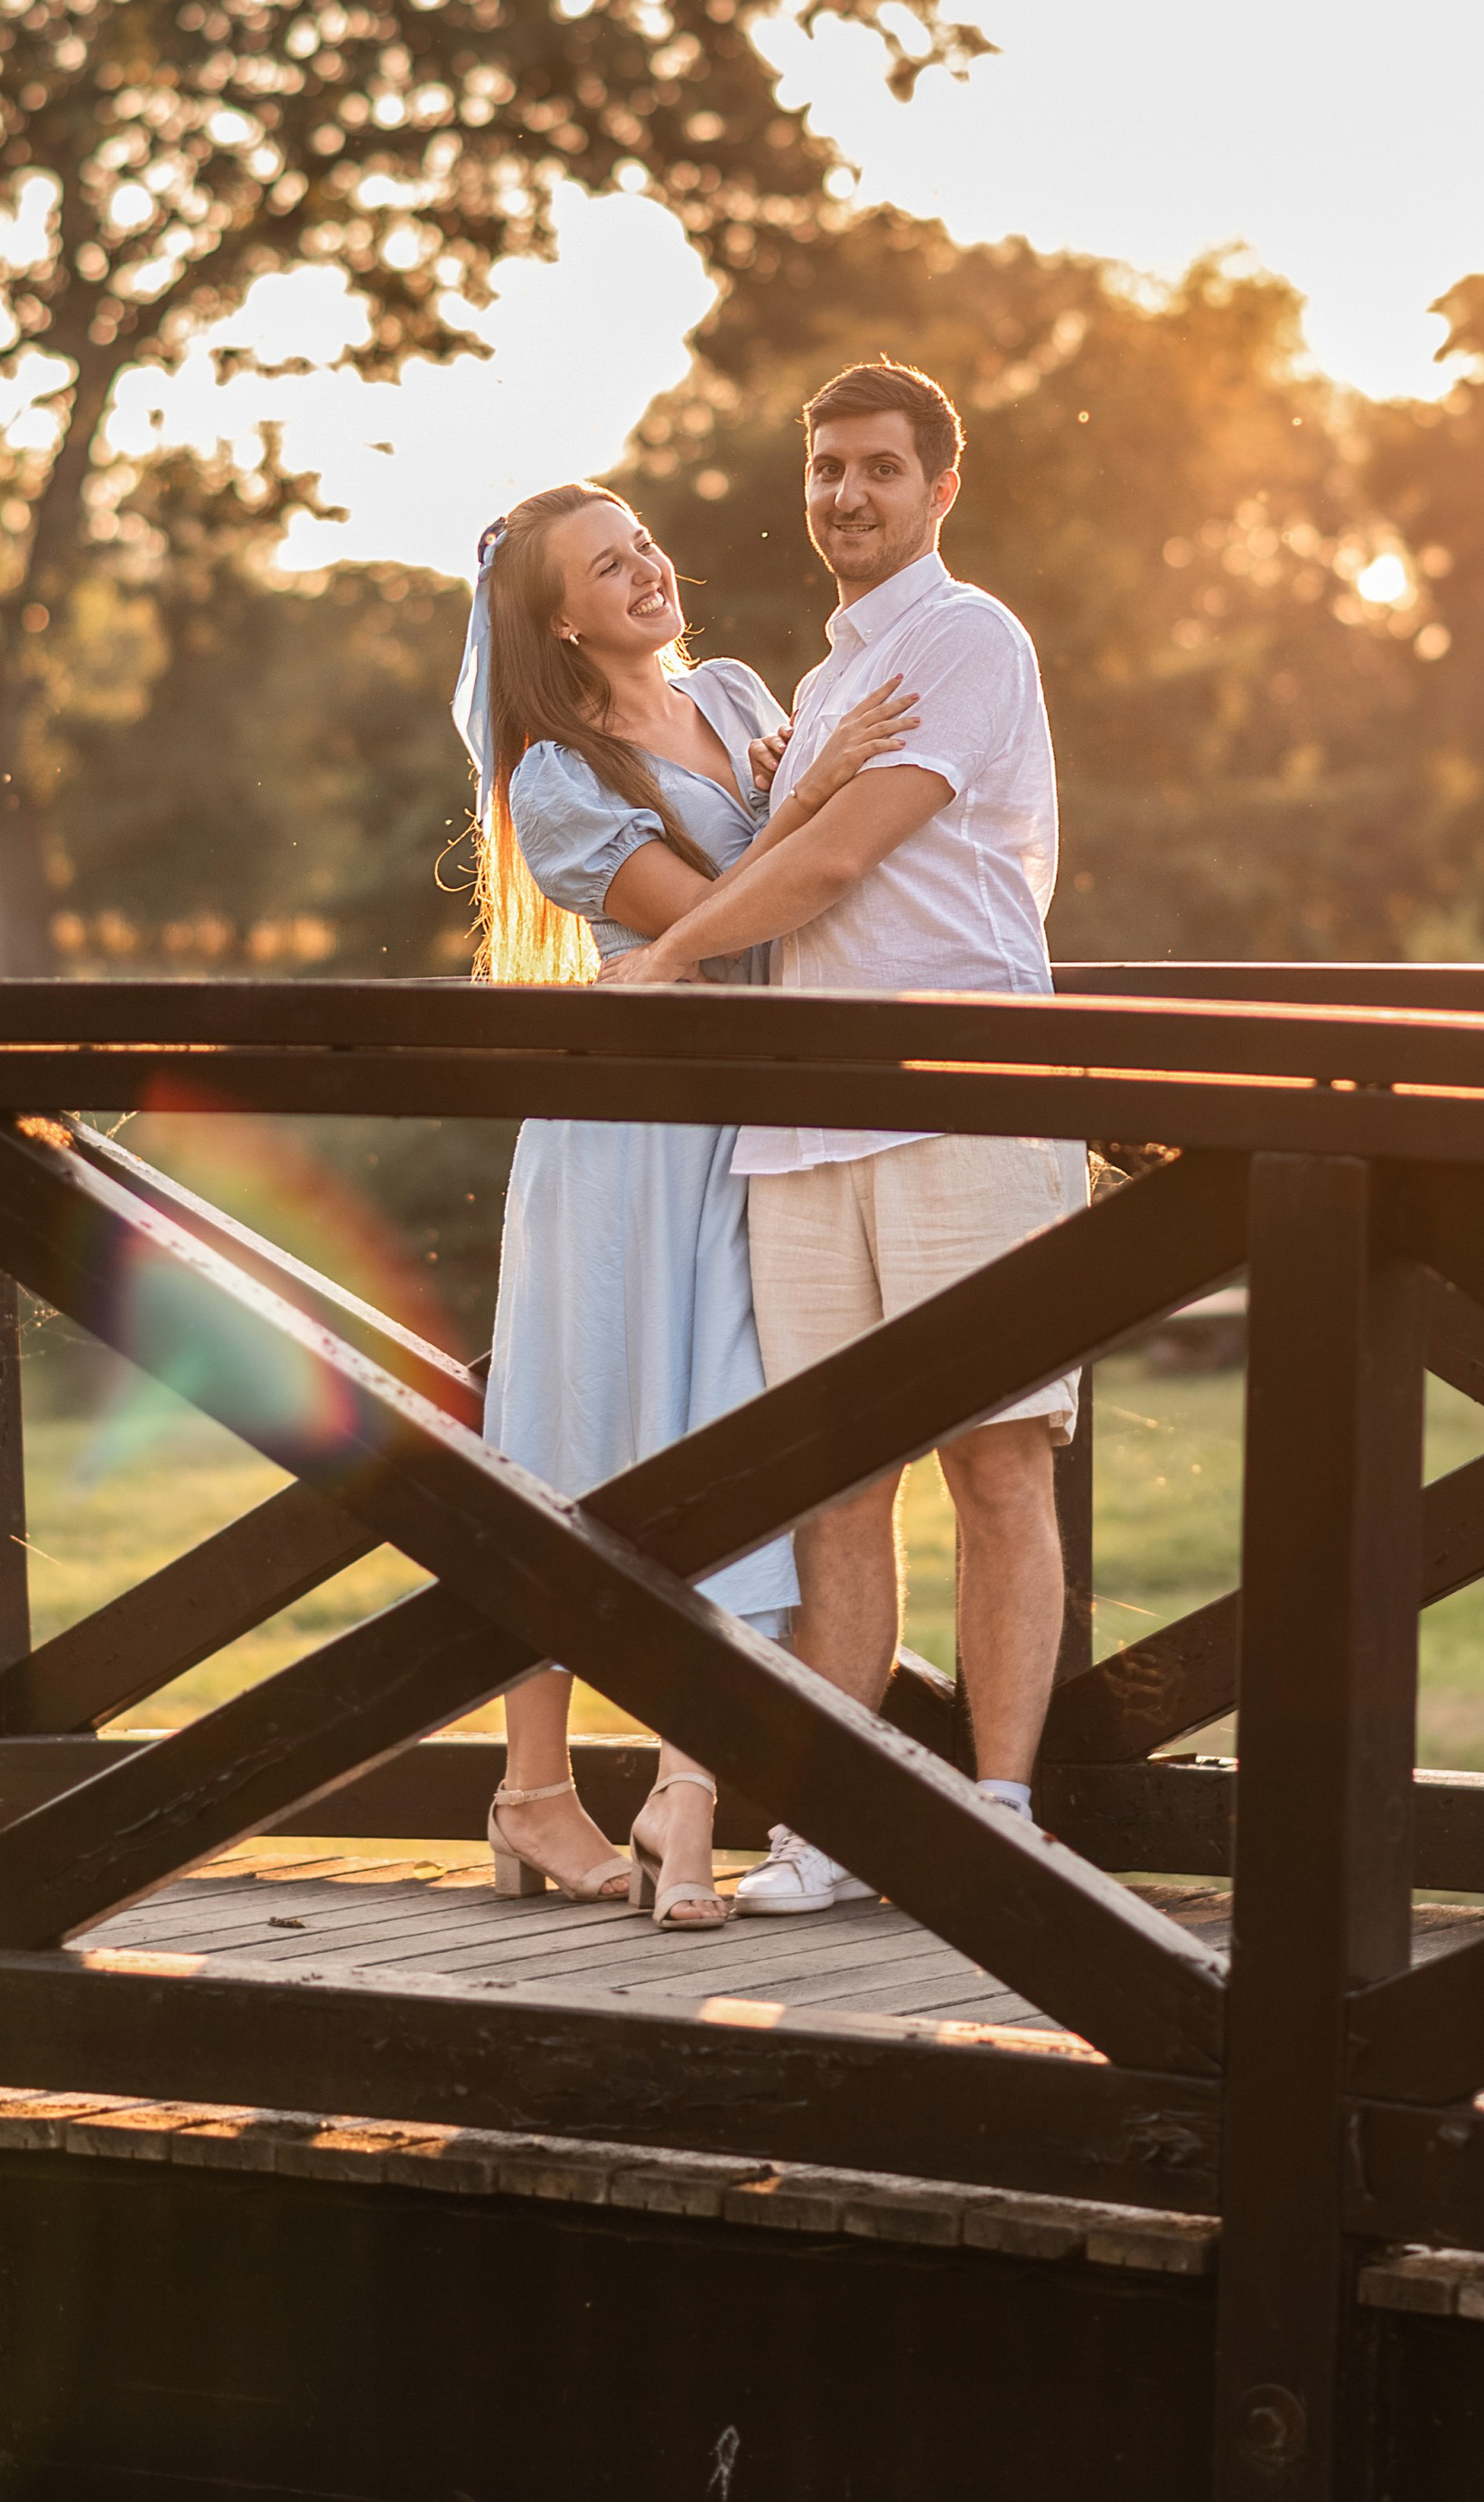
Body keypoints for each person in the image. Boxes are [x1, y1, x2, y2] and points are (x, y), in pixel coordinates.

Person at [601, 360, 1081, 1914]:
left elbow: (832, 866)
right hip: (802, 1129)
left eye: (879, 468)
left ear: (943, 487)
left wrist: (664, 963)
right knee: (834, 1487)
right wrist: (807, 775)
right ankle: (834, 1825)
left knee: (998, 1462)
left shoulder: (965, 637)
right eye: (825, 470)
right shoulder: (822, 689)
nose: (846, 496)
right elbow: (799, 844)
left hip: (967, 1106)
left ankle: (1002, 1809)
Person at [453, 480, 916, 1928]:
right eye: (608, 563)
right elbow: (714, 907)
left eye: (644, 541)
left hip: (752, 1121)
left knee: (726, 1428)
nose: (647, 568)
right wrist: (835, 787)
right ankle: (534, 1791)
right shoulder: (555, 778)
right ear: (557, 614)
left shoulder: (731, 687)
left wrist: (816, 777)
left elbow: (795, 899)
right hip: (629, 1141)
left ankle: (687, 1792)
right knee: (579, 1420)